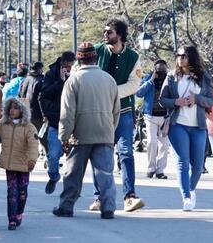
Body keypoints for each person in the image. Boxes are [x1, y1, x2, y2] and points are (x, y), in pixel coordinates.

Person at [52, 42, 120, 220]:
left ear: (78, 60)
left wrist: (64, 136)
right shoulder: (109, 79)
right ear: (95, 58)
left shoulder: (73, 80)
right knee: (105, 174)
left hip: (80, 135)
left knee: (73, 174)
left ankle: (66, 206)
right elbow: (116, 111)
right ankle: (108, 208)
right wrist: (110, 131)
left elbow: (67, 113)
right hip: (104, 133)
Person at [92, 19, 144, 212]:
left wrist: (109, 92)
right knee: (100, 153)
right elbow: (79, 71)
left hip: (123, 112)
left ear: (120, 35)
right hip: (99, 112)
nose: (105, 35)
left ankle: (130, 195)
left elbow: (133, 85)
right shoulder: (96, 51)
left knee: (126, 152)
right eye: (105, 31)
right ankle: (99, 197)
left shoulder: (133, 57)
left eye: (110, 32)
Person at [160, 46, 213, 211]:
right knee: (183, 161)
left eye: (184, 56)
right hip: (178, 125)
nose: (180, 58)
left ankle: (190, 189)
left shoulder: (204, 77)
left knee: (198, 165)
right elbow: (163, 99)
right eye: (178, 55)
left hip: (198, 126)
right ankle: (186, 197)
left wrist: (196, 99)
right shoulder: (171, 77)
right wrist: (175, 102)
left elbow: (211, 101)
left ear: (191, 57)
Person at [0, 97, 38, 230]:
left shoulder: (29, 128)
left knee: (22, 193)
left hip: (24, 165)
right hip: (10, 165)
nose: (12, 110)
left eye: (16, 108)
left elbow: (33, 146)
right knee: (12, 192)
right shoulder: (4, 124)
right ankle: (11, 219)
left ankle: (19, 213)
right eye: (11, 107)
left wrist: (32, 160)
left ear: (23, 111)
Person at [39, 51, 75, 194]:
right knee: (53, 155)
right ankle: (53, 176)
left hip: (74, 121)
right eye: (67, 66)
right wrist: (60, 82)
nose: (69, 69)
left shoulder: (78, 74)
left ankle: (71, 189)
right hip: (56, 121)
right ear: (62, 63)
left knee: (75, 160)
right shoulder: (51, 74)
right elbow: (44, 94)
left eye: (71, 66)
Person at [136, 59, 170, 179]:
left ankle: (160, 170)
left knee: (164, 145)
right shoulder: (148, 78)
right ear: (154, 69)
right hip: (150, 116)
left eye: (163, 69)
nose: (160, 71)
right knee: (152, 142)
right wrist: (151, 80)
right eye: (158, 69)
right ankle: (151, 168)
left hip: (165, 117)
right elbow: (139, 93)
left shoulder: (170, 79)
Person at [19, 61, 46, 153]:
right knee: (43, 137)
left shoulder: (25, 79)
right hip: (37, 113)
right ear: (40, 69)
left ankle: (24, 157)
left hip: (26, 112)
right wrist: (44, 114)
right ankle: (48, 158)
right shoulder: (40, 80)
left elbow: (20, 95)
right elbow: (41, 98)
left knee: (27, 136)